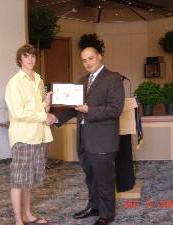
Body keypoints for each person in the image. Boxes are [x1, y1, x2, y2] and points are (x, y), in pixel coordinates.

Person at [48, 47, 125, 225]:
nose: (88, 63)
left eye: (91, 58)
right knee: (90, 176)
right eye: (84, 60)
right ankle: (94, 206)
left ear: (99, 56)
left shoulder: (113, 78)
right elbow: (73, 108)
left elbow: (115, 109)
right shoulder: (82, 81)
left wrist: (89, 110)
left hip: (103, 140)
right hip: (84, 139)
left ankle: (107, 214)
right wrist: (56, 117)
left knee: (104, 178)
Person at [5, 44, 54, 225]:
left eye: (33, 56)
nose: (30, 59)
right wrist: (43, 115)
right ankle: (19, 221)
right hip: (23, 138)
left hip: (38, 136)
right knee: (18, 181)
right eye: (26, 56)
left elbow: (39, 108)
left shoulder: (38, 79)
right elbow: (18, 113)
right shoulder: (14, 83)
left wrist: (46, 103)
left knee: (28, 180)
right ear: (20, 59)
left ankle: (28, 215)